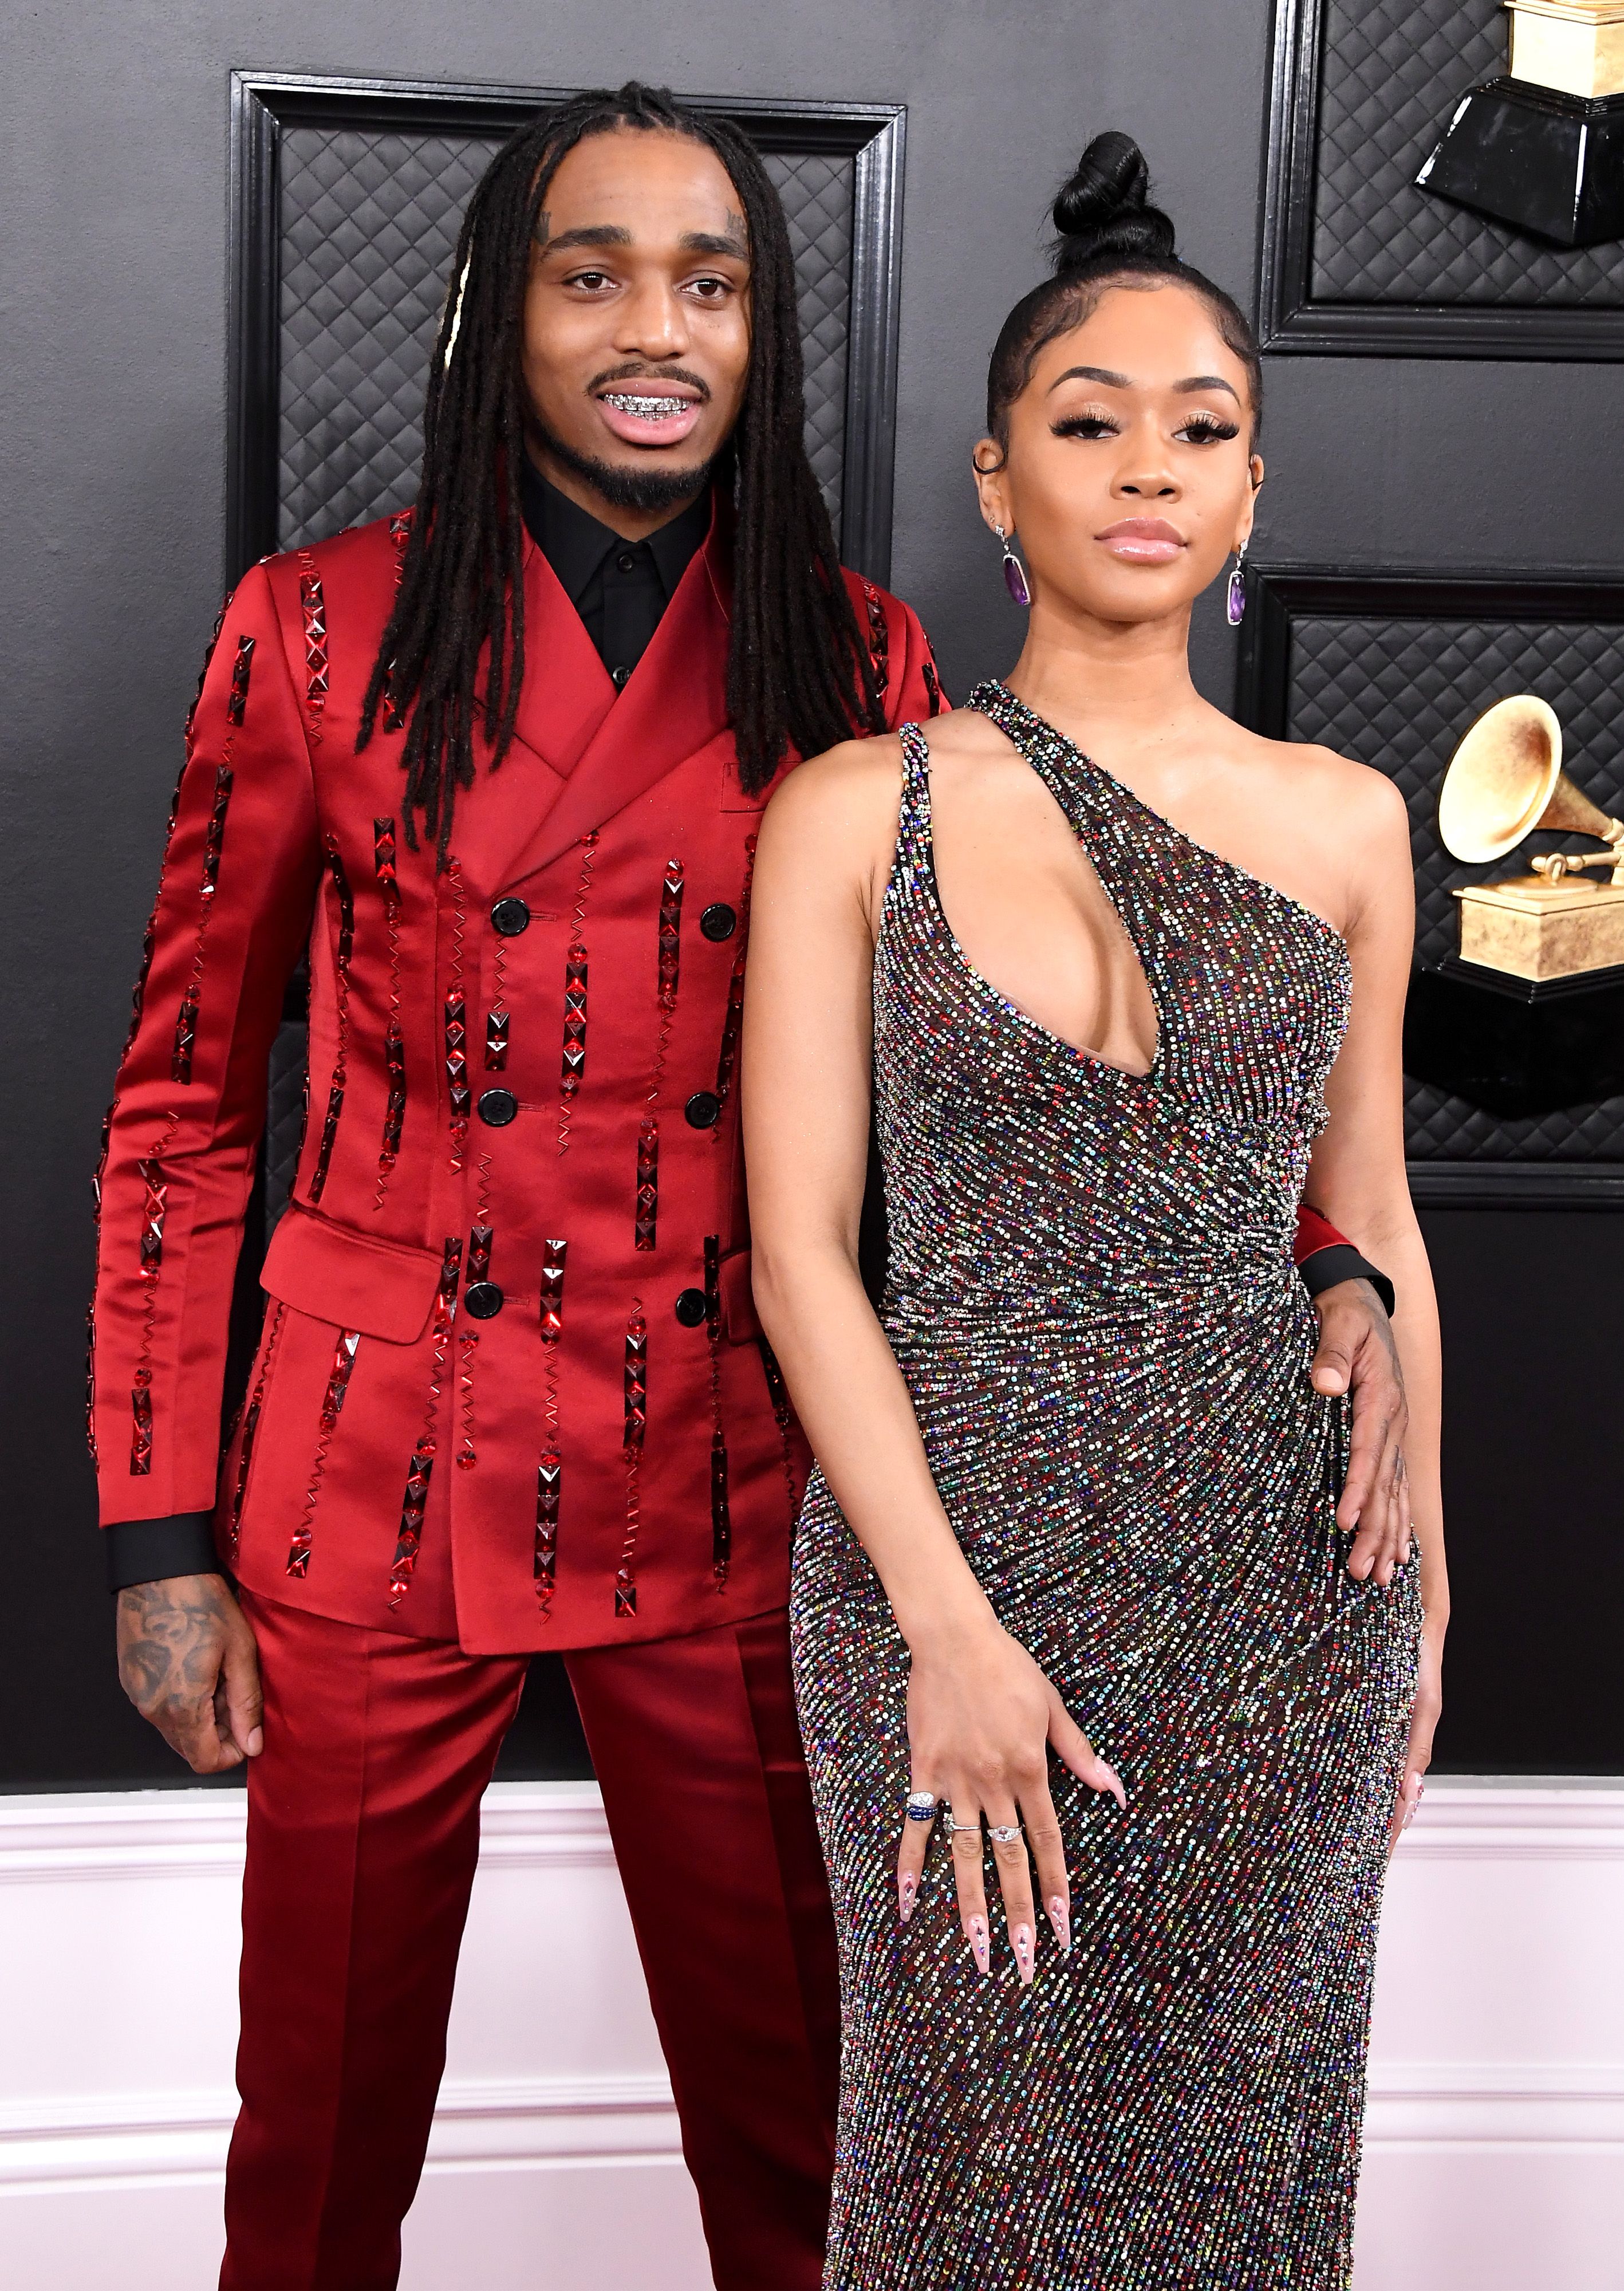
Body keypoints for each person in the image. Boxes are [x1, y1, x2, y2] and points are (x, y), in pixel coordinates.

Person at [86, 84, 1408, 2291]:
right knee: (309, 2152)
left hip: (721, 1474)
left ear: (762, 328)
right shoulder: (314, 631)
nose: (654, 329)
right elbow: (181, 1111)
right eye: (589, 275)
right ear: (496, 314)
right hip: (365, 1472)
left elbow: (1035, 1056)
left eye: (707, 283)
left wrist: (1328, 1255)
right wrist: (156, 1538)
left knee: (812, 2154)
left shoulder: (850, 655)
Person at [743, 131, 1445, 2289]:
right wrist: (945, 1634)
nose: (1148, 467)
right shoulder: (849, 810)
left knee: (1243, 2185)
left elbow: (1370, 1213)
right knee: (953, 2177)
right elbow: (800, 1257)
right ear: (994, 480)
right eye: (1087, 423)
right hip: (948, 1571)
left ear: (1249, 490)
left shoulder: (1347, 821)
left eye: (1201, 429)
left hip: (1280, 1600)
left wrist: (1425, 1601)